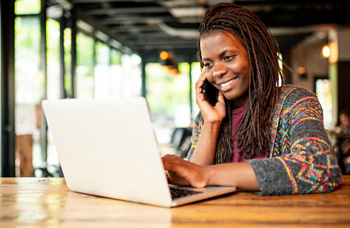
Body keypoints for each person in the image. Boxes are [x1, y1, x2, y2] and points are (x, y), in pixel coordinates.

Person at [162, 3, 342, 195]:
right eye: (208, 63)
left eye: (229, 57)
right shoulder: (207, 116)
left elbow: (320, 167)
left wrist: (207, 175)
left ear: (255, 54)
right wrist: (212, 124)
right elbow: (191, 182)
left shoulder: (296, 103)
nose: (218, 71)